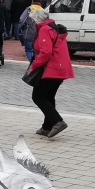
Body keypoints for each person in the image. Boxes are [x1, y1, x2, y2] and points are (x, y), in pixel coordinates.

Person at [25, 8, 72, 139]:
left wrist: (33, 66)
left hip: (52, 68)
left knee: (38, 96)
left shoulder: (45, 29)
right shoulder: (53, 27)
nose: (32, 23)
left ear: (37, 20)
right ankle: (47, 126)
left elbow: (46, 52)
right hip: (61, 67)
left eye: (33, 20)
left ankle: (57, 122)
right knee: (48, 97)